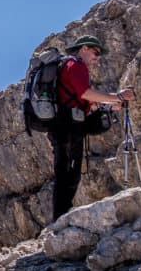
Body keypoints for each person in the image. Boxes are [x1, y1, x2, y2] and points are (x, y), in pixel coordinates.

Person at [49, 35, 135, 221]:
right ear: (84, 49)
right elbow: (85, 93)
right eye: (95, 52)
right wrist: (117, 97)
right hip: (69, 125)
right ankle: (60, 219)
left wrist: (109, 105)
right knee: (68, 174)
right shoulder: (76, 65)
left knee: (66, 172)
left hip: (62, 124)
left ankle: (60, 217)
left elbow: (87, 102)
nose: (97, 57)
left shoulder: (68, 66)